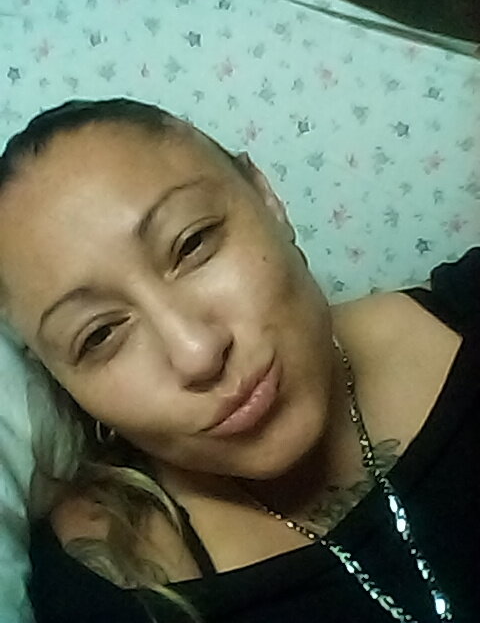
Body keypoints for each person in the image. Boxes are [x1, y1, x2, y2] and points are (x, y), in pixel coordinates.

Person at [0, 98, 477, 623]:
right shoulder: (100, 592)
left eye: (192, 244)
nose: (198, 354)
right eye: (99, 335)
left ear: (265, 196)